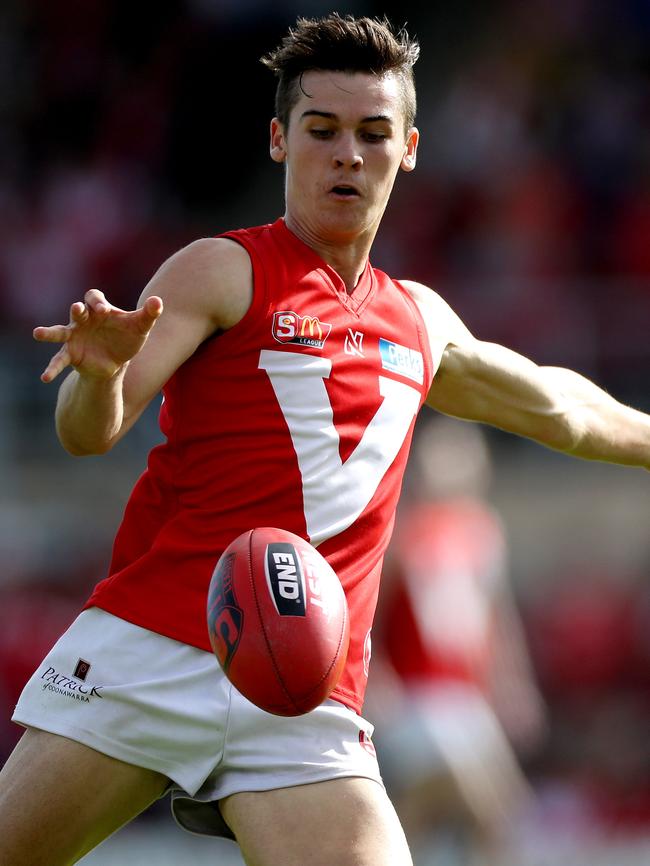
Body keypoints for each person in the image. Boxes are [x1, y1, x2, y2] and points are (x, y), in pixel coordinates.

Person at [1, 12, 649, 866]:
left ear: (409, 147)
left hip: (303, 692)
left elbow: (563, 409)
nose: (348, 153)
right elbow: (90, 433)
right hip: (154, 647)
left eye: (373, 133)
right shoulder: (220, 269)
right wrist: (97, 375)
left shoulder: (421, 321)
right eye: (323, 129)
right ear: (279, 139)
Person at [366, 415, 545, 865]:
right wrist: (378, 677)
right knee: (482, 807)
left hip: (467, 696)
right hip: (419, 696)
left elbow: (496, 616)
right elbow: (373, 615)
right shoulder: (404, 534)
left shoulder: (481, 531)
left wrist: (512, 683)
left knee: (490, 814)